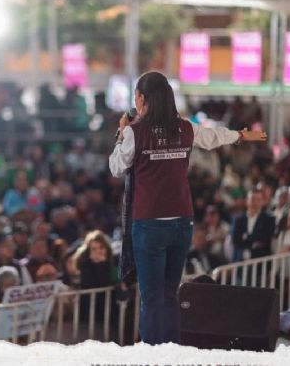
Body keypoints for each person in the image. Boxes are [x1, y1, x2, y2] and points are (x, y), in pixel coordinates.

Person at [109, 71, 267, 345]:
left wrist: (122, 134)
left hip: (149, 224)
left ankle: (151, 357)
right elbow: (215, 136)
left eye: (136, 94)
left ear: (142, 99)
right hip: (182, 222)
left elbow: (116, 167)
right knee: (170, 295)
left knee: (151, 297)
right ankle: (171, 353)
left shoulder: (135, 132)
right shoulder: (185, 128)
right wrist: (244, 135)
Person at [230, 189, 277, 261]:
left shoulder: (269, 219)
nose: (255, 203)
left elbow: (265, 239)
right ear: (246, 201)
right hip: (239, 262)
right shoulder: (238, 219)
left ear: (263, 202)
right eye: (252, 199)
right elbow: (235, 240)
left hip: (260, 262)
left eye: (258, 200)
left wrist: (245, 237)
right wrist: (254, 243)